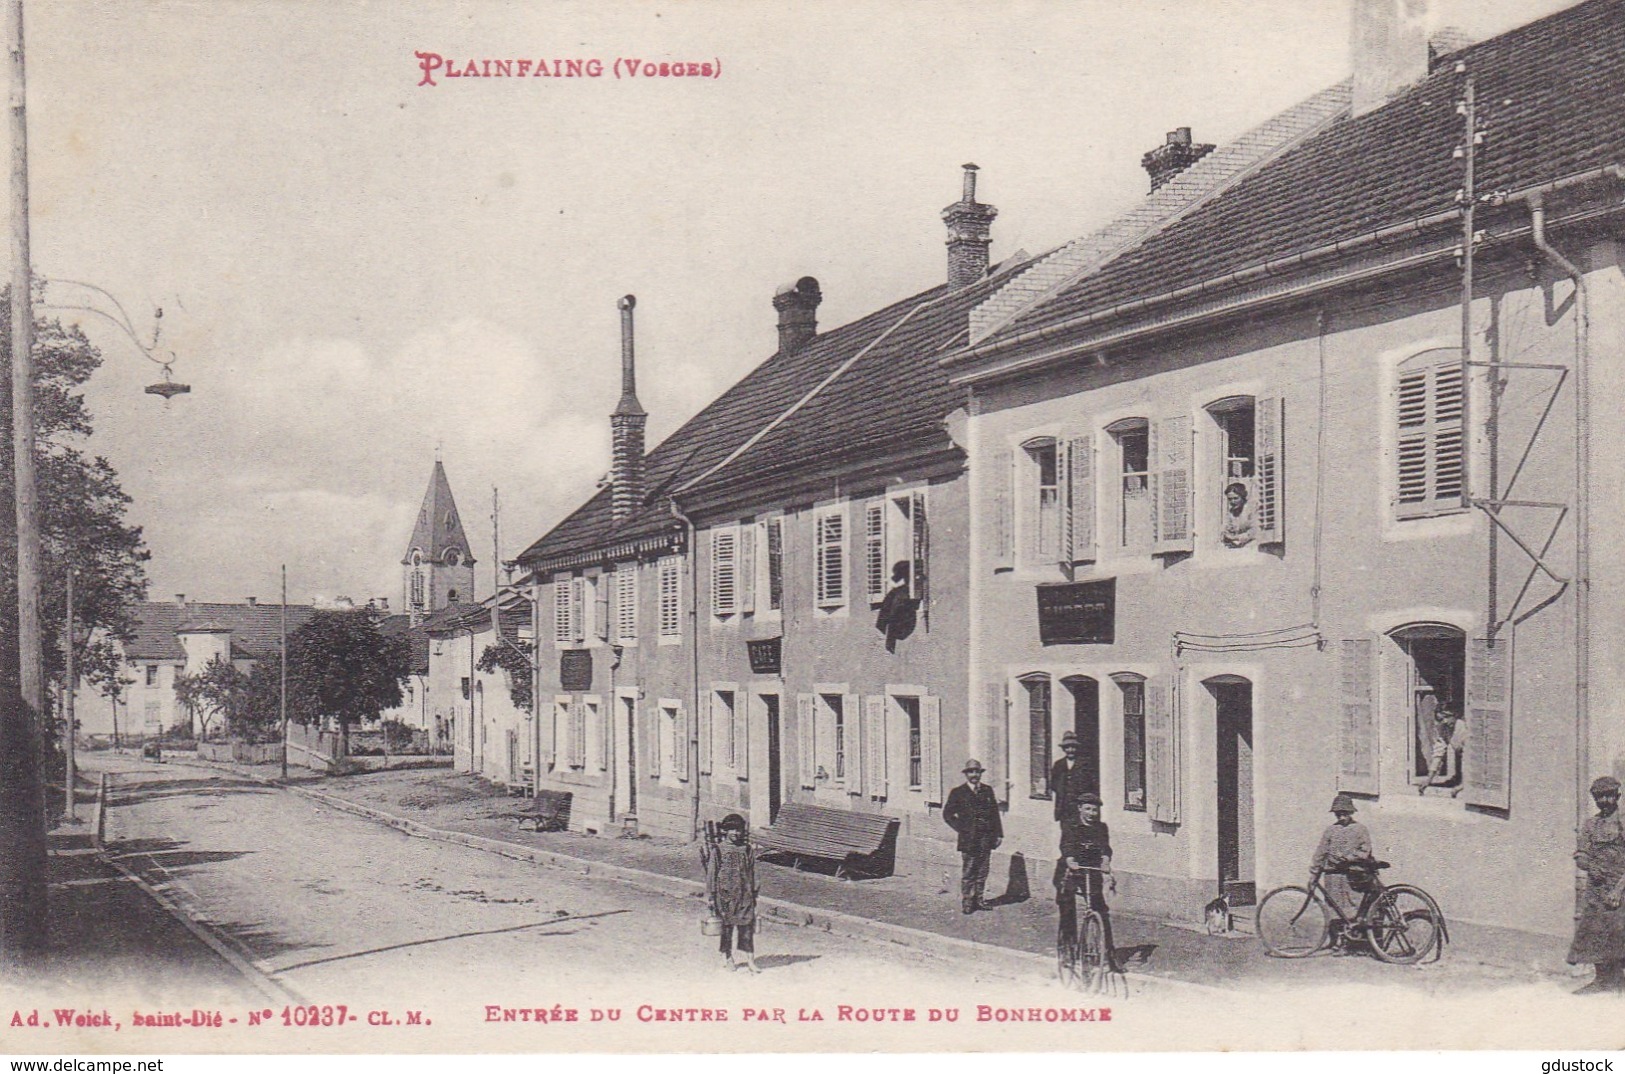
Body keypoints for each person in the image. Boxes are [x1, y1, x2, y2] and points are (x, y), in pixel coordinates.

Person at [1568, 775, 1625, 994]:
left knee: (1618, 932)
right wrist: (1590, 866)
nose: (1604, 801)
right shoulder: (1591, 825)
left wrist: (1618, 890)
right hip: (1596, 888)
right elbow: (1581, 854)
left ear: (1617, 796)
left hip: (1620, 886)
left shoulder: (1622, 822)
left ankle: (1618, 982)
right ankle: (1601, 980)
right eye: (1599, 797)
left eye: (1608, 796)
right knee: (1594, 932)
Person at [1055, 791, 1118, 970]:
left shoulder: (1101, 828)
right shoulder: (1070, 826)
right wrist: (1070, 860)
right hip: (1070, 869)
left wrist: (1105, 861)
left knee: (1100, 909)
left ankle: (1109, 955)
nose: (1092, 813)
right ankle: (1068, 950)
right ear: (1080, 809)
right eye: (1088, 809)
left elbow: (1105, 848)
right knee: (1068, 907)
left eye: (1095, 810)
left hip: (1091, 869)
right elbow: (1066, 845)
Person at [701, 813, 760, 973]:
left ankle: (750, 960)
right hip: (725, 896)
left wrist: (755, 892)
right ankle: (727, 957)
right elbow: (712, 874)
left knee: (747, 928)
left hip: (744, 895)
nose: (735, 833)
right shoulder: (718, 850)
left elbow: (753, 872)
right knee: (727, 928)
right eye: (732, 830)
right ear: (726, 831)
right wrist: (711, 897)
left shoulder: (746, 849)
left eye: (738, 830)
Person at [943, 759, 1002, 914]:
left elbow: (995, 814)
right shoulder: (958, 792)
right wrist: (962, 828)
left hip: (985, 838)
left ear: (980, 774)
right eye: (971, 772)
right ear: (966, 774)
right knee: (969, 871)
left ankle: (979, 900)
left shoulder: (987, 791)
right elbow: (947, 814)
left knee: (982, 871)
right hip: (969, 839)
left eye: (977, 772)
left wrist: (999, 834)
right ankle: (968, 902)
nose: (974, 775)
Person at [1310, 793, 1373, 936]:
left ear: (1351, 812)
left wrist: (1349, 858)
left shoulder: (1360, 829)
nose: (1341, 818)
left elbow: (1365, 851)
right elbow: (1321, 851)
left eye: (1344, 814)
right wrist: (1314, 872)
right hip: (1333, 876)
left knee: (1353, 907)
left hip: (1353, 876)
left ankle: (1354, 939)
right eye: (1338, 815)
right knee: (1334, 908)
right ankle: (1337, 940)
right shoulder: (1330, 830)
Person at [1421, 705, 1467, 794]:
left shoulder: (1463, 728)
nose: (1445, 721)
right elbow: (1438, 753)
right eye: (1441, 719)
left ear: (1455, 715)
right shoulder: (1443, 728)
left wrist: (1463, 785)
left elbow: (1467, 757)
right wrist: (1428, 779)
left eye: (1447, 717)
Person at [1050, 731, 1089, 822]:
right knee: (1065, 831)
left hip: (1079, 805)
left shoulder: (1084, 764)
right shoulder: (1059, 764)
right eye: (1067, 747)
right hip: (1063, 806)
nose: (1070, 750)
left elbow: (1090, 784)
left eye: (1073, 747)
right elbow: (1053, 784)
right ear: (1064, 749)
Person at [1220, 481, 1256, 548]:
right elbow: (1226, 529)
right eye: (1230, 499)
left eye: (1236, 498)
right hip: (1236, 546)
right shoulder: (1231, 512)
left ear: (1243, 497)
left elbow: (1255, 531)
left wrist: (1235, 537)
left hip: (1252, 545)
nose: (1232, 502)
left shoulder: (1252, 509)